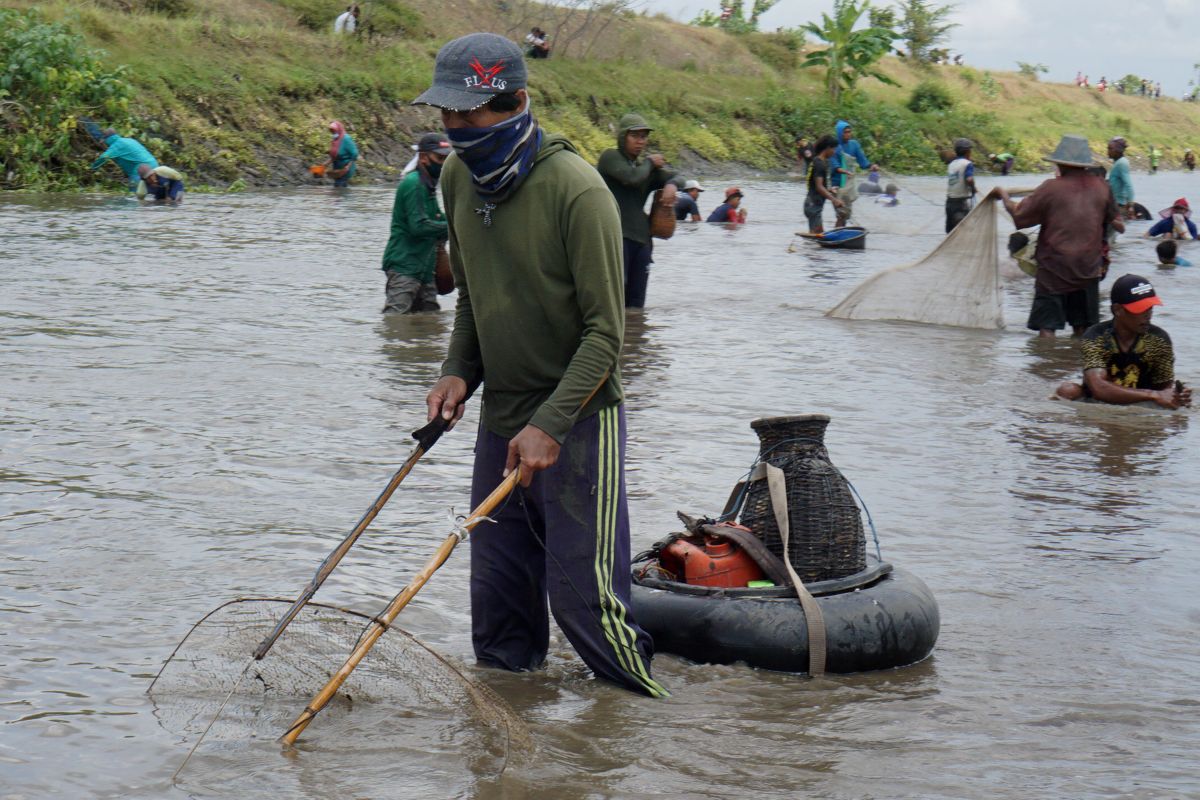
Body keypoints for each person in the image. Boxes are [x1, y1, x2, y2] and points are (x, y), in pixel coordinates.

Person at [414, 32, 667, 698]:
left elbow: (605, 336)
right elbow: (474, 296)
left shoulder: (576, 190)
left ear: (518, 101)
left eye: (471, 114)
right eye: (447, 113)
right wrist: (456, 370)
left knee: (587, 607)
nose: (456, 128)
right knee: (497, 605)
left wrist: (551, 424)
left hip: (580, 417)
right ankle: (508, 743)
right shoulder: (456, 177)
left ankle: (640, 728)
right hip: (502, 419)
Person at [997, 135, 1125, 338]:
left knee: (1047, 328)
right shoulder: (1102, 187)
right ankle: (1079, 365)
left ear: (1061, 163)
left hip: (1054, 269)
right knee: (1084, 329)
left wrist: (1003, 195)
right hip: (1088, 268)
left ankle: (1048, 365)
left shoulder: (1050, 188)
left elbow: (1019, 218)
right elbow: (1119, 224)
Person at [1055, 275, 1191, 409]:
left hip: (1141, 401)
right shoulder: (1096, 337)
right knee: (1067, 390)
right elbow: (1098, 387)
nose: (1148, 314)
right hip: (1101, 400)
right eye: (1141, 309)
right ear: (1118, 310)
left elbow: (1165, 388)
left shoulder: (1159, 340)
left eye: (1150, 307)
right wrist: (1153, 394)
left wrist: (1177, 395)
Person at [596, 113, 675, 309]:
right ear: (623, 137)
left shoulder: (644, 168)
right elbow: (631, 178)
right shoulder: (610, 158)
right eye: (635, 136)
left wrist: (671, 185)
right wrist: (649, 163)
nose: (640, 141)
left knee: (637, 305)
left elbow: (678, 177)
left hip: (642, 242)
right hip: (616, 237)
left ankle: (634, 338)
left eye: (644, 136)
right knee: (615, 300)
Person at [381, 133, 451, 314]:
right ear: (423, 157)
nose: (443, 163)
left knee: (430, 317)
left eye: (447, 158)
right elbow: (418, 226)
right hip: (405, 266)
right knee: (395, 317)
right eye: (440, 158)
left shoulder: (428, 185)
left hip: (425, 267)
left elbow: (437, 218)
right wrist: (453, 226)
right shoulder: (414, 184)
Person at [832, 120, 875, 227]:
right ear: (839, 133)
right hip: (837, 184)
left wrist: (871, 166)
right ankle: (837, 235)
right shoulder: (834, 146)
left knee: (846, 213)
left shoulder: (854, 145)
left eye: (849, 132)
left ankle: (840, 233)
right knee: (841, 213)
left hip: (849, 183)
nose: (848, 134)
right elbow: (834, 163)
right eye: (845, 132)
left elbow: (862, 161)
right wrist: (842, 170)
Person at [90, 129, 158, 191]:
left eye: (104, 141)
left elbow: (104, 157)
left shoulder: (116, 145)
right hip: (155, 166)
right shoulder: (129, 140)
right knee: (154, 193)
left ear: (108, 139)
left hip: (140, 169)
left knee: (134, 195)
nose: (104, 143)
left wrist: (92, 169)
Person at [804, 134, 842, 233]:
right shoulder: (819, 163)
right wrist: (834, 200)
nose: (834, 152)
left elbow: (818, 185)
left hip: (813, 204)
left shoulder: (822, 162)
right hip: (813, 205)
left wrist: (829, 190)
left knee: (816, 237)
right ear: (828, 148)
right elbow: (819, 187)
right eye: (833, 149)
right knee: (818, 237)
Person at [945, 138, 976, 233]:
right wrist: (973, 188)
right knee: (962, 232)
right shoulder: (967, 164)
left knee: (950, 233)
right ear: (967, 152)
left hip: (949, 203)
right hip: (960, 204)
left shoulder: (951, 164)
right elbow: (969, 179)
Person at [324, 120, 359, 187]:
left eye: (334, 130)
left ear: (339, 129)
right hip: (337, 169)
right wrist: (325, 164)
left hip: (345, 168)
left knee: (340, 186)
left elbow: (354, 153)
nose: (333, 132)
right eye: (332, 131)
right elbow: (334, 155)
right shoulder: (335, 140)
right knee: (338, 187)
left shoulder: (346, 139)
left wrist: (348, 166)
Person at [1107, 137, 1134, 218]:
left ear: (1118, 150)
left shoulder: (1122, 163)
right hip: (1114, 202)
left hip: (1118, 204)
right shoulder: (1118, 163)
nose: (1107, 151)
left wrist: (1130, 204)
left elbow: (1128, 184)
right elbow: (1114, 181)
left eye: (1110, 148)